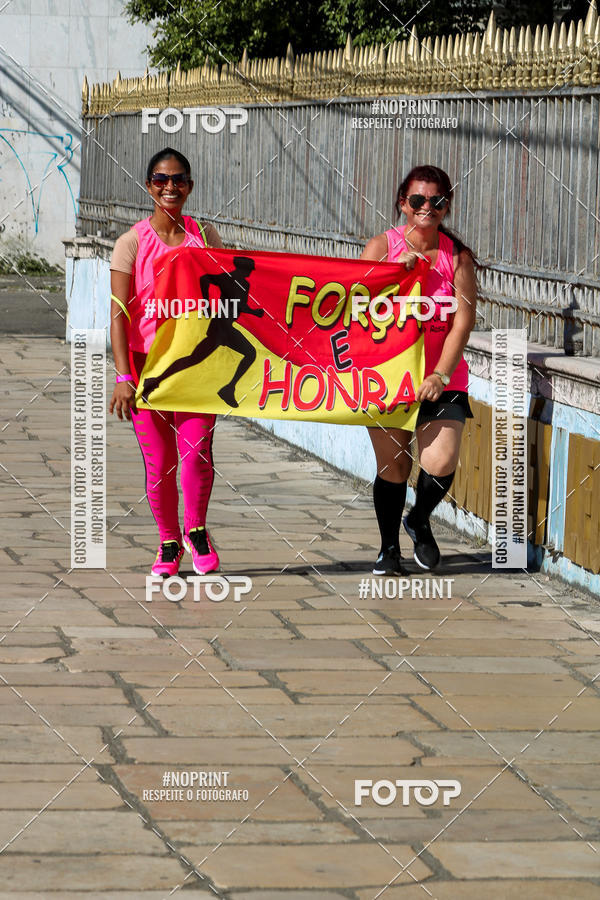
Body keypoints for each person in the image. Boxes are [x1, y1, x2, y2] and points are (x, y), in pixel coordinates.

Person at [109, 147, 223, 577]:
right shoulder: (132, 242)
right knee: (160, 462)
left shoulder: (205, 237)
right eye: (161, 179)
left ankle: (197, 531)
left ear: (190, 187)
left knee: (195, 455)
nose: (170, 187)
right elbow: (120, 313)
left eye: (178, 180)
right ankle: (168, 542)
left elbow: (242, 285)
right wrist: (123, 376)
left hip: (196, 368)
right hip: (146, 369)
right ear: (148, 185)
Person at [361, 165, 478, 574]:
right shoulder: (380, 248)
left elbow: (462, 323)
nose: (427, 207)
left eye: (437, 201)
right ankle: (388, 549)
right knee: (394, 465)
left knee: (441, 462)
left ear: (446, 207)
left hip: (441, 378)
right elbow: (357, 312)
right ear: (402, 204)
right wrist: (393, 276)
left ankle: (419, 518)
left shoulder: (457, 259)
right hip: (387, 376)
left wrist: (440, 375)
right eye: (417, 200)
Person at [141, 255, 264, 409]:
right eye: (248, 270)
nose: (249, 273)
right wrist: (206, 304)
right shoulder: (227, 278)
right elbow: (204, 279)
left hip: (227, 328)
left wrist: (254, 312)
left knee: (248, 353)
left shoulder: (245, 285)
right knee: (193, 359)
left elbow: (241, 306)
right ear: (240, 268)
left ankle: (228, 388)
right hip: (219, 327)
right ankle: (153, 382)